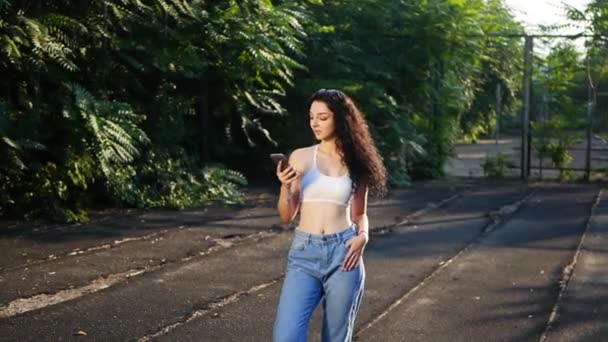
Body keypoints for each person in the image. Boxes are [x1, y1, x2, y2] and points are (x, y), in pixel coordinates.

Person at [272, 89, 387, 342]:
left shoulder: (358, 162)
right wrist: (283, 186)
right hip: (304, 253)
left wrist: (364, 236)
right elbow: (286, 216)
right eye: (311, 117)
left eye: (322, 117)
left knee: (335, 338)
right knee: (285, 336)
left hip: (344, 254)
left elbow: (359, 214)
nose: (314, 123)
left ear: (341, 119)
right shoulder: (300, 157)